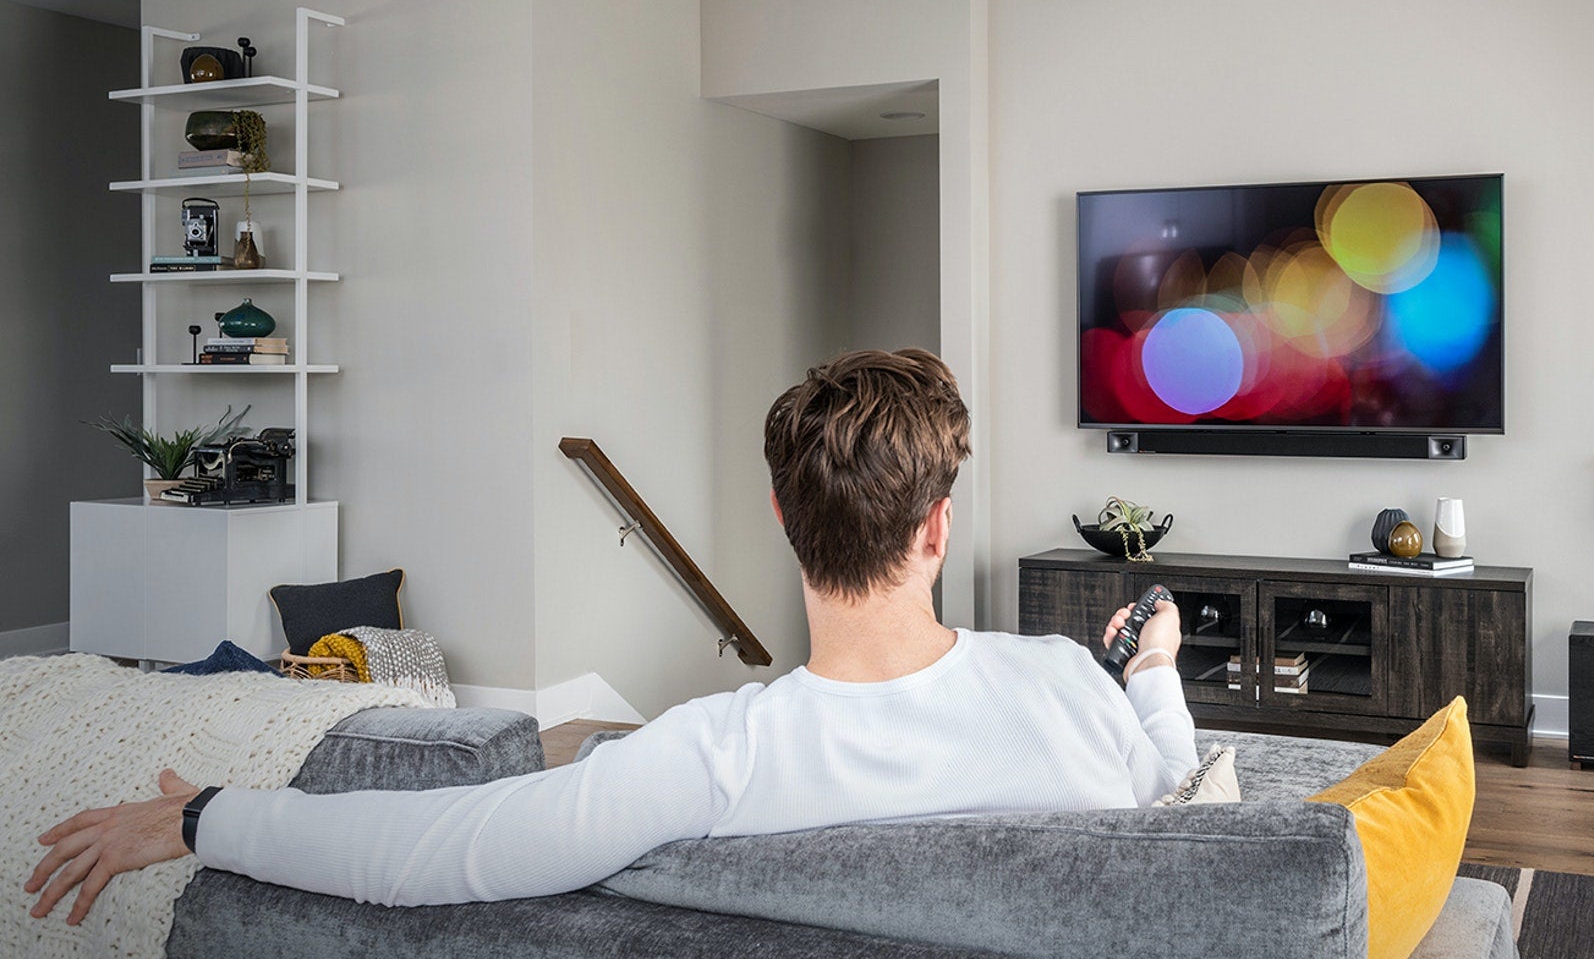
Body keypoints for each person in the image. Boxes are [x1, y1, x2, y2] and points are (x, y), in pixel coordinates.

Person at [25, 348, 1195, 923]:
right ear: (937, 526)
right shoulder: (1063, 685)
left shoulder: (710, 754)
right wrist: (1150, 668)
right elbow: (1179, 794)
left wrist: (201, 814)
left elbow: (434, 847)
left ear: (781, 516)